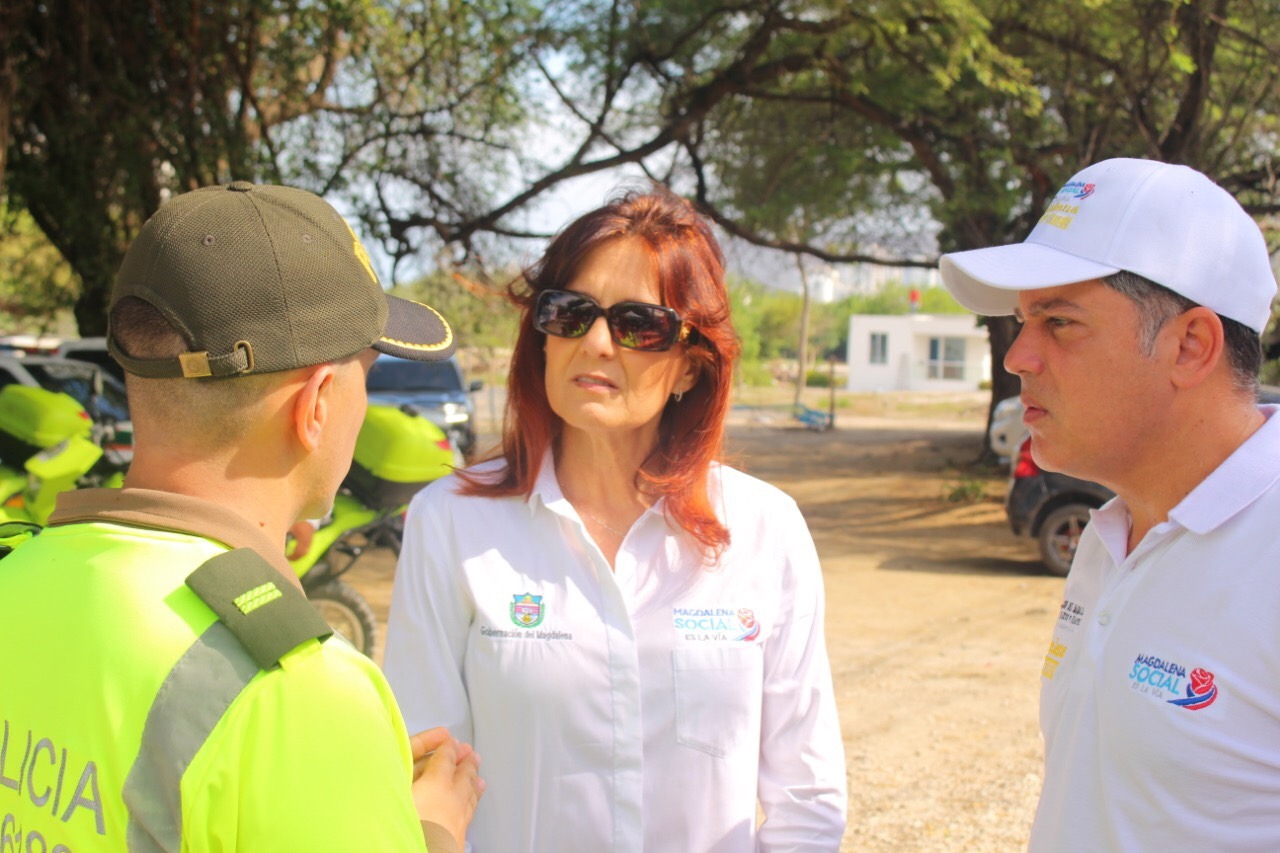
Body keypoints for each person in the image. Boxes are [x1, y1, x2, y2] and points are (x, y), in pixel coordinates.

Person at [0, 181, 483, 852]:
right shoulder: (301, 693)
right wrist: (430, 829)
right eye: (363, 374)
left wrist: (347, 786)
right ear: (315, 406)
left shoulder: (16, 570)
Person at [382, 187, 848, 851]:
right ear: (541, 334)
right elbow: (425, 768)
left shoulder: (766, 529)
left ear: (690, 366)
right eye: (570, 312)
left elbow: (807, 798)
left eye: (639, 324)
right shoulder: (449, 522)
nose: (597, 342)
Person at [938, 157, 1280, 850]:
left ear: (1191, 345)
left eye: (1059, 322)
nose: (1018, 356)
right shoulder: (1113, 533)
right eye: (1023, 320)